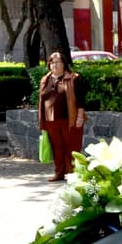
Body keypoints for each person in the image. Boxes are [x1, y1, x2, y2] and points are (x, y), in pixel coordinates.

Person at [38, 51, 80, 182]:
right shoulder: (45, 79)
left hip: (68, 119)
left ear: (64, 64)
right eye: (52, 62)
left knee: (71, 147)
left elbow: (81, 100)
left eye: (57, 62)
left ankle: (72, 173)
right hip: (50, 120)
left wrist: (79, 116)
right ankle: (59, 172)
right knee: (57, 147)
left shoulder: (73, 78)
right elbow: (42, 100)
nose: (54, 65)